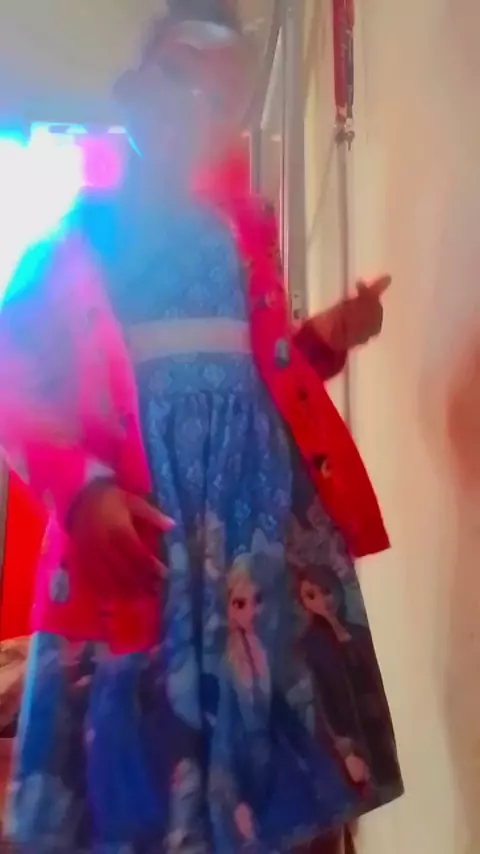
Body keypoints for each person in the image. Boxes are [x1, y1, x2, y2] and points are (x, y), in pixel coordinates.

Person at [0, 1, 402, 851]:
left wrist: (327, 336)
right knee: (144, 720)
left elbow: (262, 371)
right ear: (132, 91)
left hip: (248, 507)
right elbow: (18, 376)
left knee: (259, 692)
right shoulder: (84, 236)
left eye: (221, 97)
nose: (196, 108)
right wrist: (83, 491)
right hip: (143, 508)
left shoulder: (240, 233)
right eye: (180, 79)